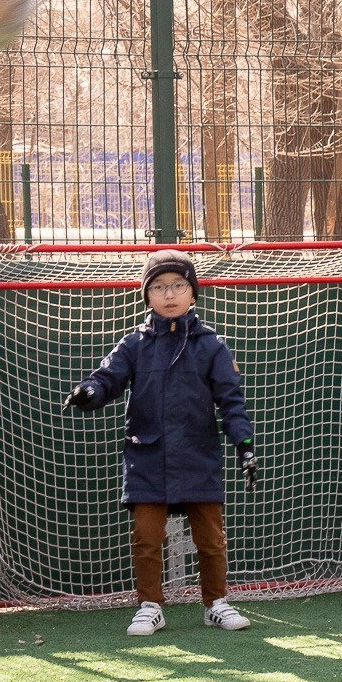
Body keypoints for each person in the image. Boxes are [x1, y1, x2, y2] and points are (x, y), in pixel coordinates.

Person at [65, 249, 259, 636]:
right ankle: (150, 606)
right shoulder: (134, 344)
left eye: (177, 286)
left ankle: (216, 604)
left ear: (193, 293)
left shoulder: (211, 346)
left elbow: (232, 402)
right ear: (147, 295)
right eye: (158, 287)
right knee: (146, 538)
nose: (169, 294)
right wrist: (88, 392)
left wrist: (245, 445)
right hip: (147, 456)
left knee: (211, 539)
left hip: (197, 454)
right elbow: (106, 380)